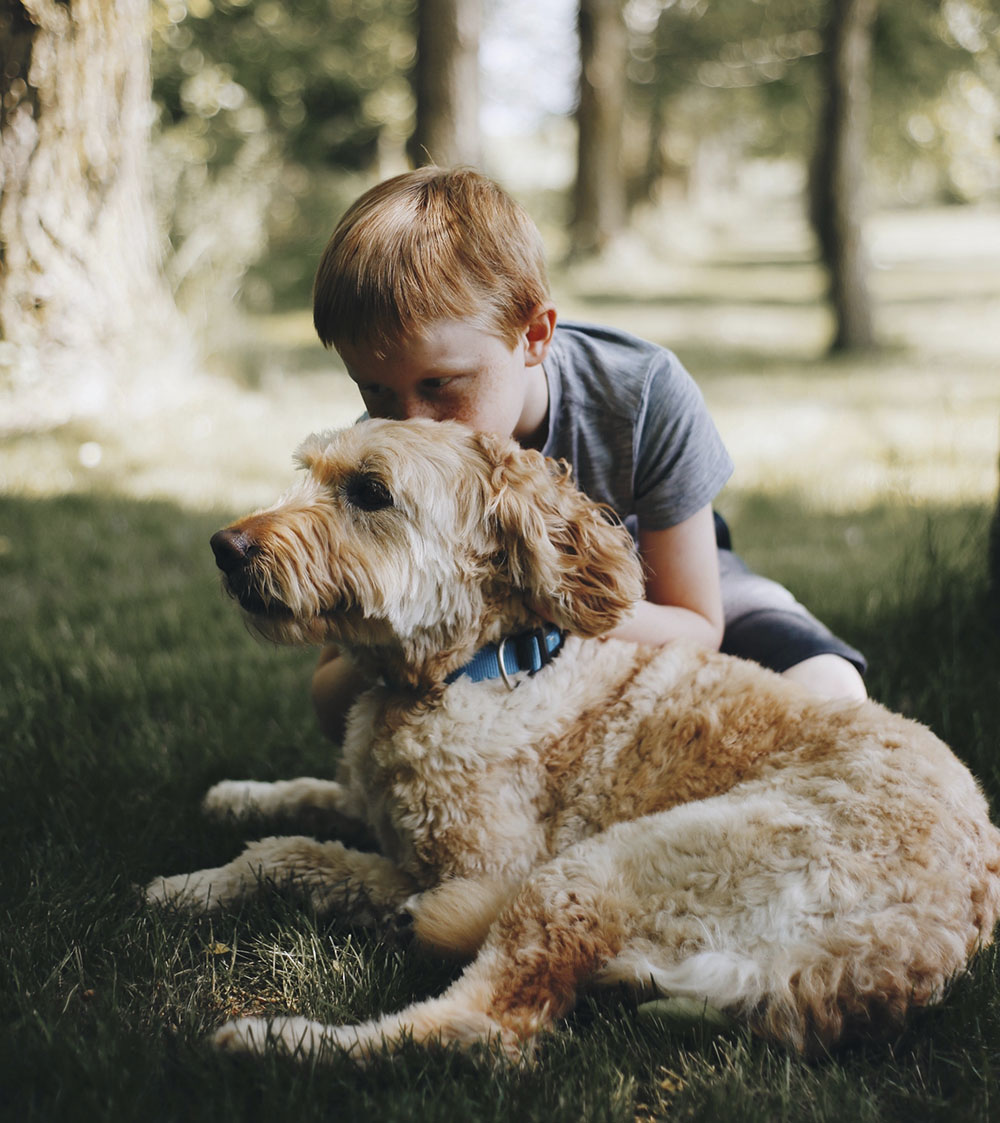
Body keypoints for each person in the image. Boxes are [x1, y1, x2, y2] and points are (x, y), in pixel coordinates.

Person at [308, 166, 867, 743]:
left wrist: (546, 602)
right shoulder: (379, 467)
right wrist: (399, 634)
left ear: (534, 336)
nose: (409, 424)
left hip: (655, 582)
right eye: (374, 390)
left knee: (832, 688)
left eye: (440, 384)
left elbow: (698, 625)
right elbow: (330, 703)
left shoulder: (640, 394)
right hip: (472, 632)